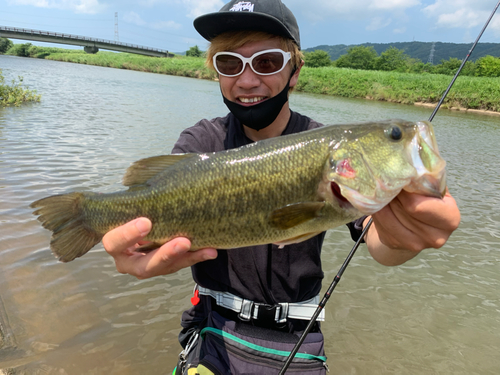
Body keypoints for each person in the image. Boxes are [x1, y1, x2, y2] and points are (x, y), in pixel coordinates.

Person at [102, 0, 461, 373]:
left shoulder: (322, 144)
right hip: (213, 333)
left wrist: (406, 238)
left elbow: (378, 242)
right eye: (229, 63)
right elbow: (152, 209)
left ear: (295, 70)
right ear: (216, 72)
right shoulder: (201, 142)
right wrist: (137, 246)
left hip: (298, 341)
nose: (246, 80)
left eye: (267, 62)